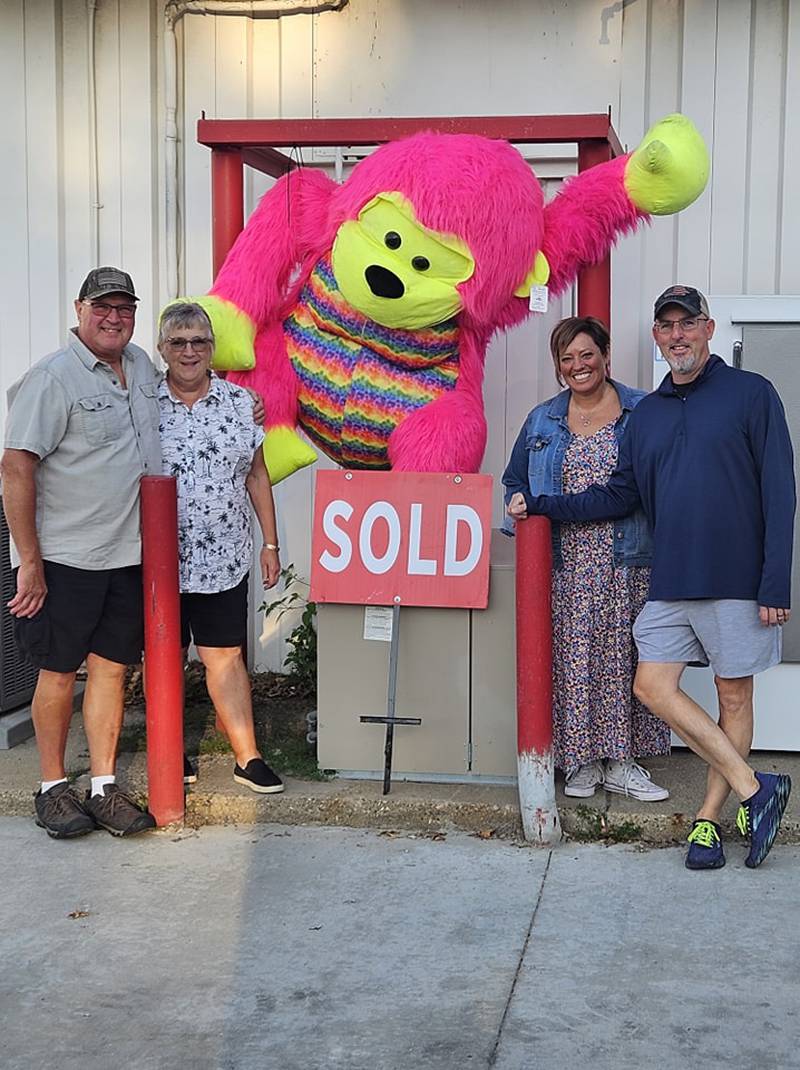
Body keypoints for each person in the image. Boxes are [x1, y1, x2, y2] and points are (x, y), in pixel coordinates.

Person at [508, 286, 794, 869]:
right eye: (666, 327)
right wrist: (542, 504)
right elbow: (620, 494)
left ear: (709, 329)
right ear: (657, 339)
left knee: (732, 695)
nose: (677, 336)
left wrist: (774, 584)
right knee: (650, 687)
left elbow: (780, 490)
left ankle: (709, 824)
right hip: (669, 581)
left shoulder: (752, 395)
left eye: (687, 324)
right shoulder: (649, 415)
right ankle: (754, 787)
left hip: (738, 580)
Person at [1, 267, 161, 838]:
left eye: (124, 307)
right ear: (79, 309)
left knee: (112, 671)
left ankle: (102, 787)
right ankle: (51, 788)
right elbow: (16, 466)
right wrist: (31, 561)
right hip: (67, 558)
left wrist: (250, 408)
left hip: (128, 555)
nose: (114, 317)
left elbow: (190, 387)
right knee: (58, 672)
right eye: (103, 307)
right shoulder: (53, 378)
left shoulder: (141, 365)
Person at [503, 317, 670, 802]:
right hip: (565, 563)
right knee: (574, 661)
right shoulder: (542, 420)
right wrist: (517, 507)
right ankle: (581, 762)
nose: (579, 366)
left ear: (605, 355)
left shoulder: (642, 411)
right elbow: (515, 480)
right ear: (559, 367)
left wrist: (542, 505)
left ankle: (621, 761)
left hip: (626, 559)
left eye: (587, 354)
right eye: (567, 359)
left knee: (621, 657)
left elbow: (639, 490)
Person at [156, 302, 285, 794]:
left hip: (222, 557)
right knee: (164, 655)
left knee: (225, 655)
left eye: (199, 342)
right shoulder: (143, 401)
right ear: (163, 349)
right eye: (178, 342)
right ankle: (170, 751)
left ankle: (247, 756)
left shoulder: (239, 404)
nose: (189, 351)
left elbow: (257, 473)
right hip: (158, 560)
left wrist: (270, 541)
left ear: (212, 348)